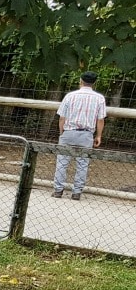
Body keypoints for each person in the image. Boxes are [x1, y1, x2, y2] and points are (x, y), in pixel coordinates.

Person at [52, 70, 106, 200]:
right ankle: (76, 192)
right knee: (83, 163)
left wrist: (62, 132)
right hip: (86, 135)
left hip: (68, 132)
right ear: (94, 83)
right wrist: (98, 136)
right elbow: (100, 119)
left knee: (62, 162)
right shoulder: (99, 98)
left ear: (81, 81)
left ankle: (58, 190)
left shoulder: (70, 96)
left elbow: (62, 117)